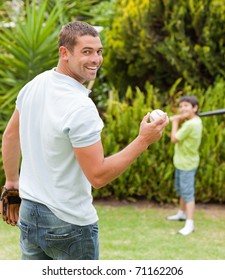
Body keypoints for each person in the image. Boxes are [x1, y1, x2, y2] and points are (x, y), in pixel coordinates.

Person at [2, 21, 168, 260]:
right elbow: (98, 176)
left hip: (30, 214)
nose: (96, 60)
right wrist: (143, 140)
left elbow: (10, 135)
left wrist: (11, 182)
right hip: (69, 224)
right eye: (87, 52)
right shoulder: (80, 106)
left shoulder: (34, 85)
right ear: (64, 53)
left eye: (99, 51)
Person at [167, 95, 202, 236]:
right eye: (181, 106)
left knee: (187, 194)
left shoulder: (190, 124)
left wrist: (175, 121)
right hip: (184, 162)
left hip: (186, 164)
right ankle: (181, 214)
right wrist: (182, 118)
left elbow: (174, 139)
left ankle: (190, 224)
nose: (182, 108)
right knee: (182, 189)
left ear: (195, 108)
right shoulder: (195, 120)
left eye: (186, 106)